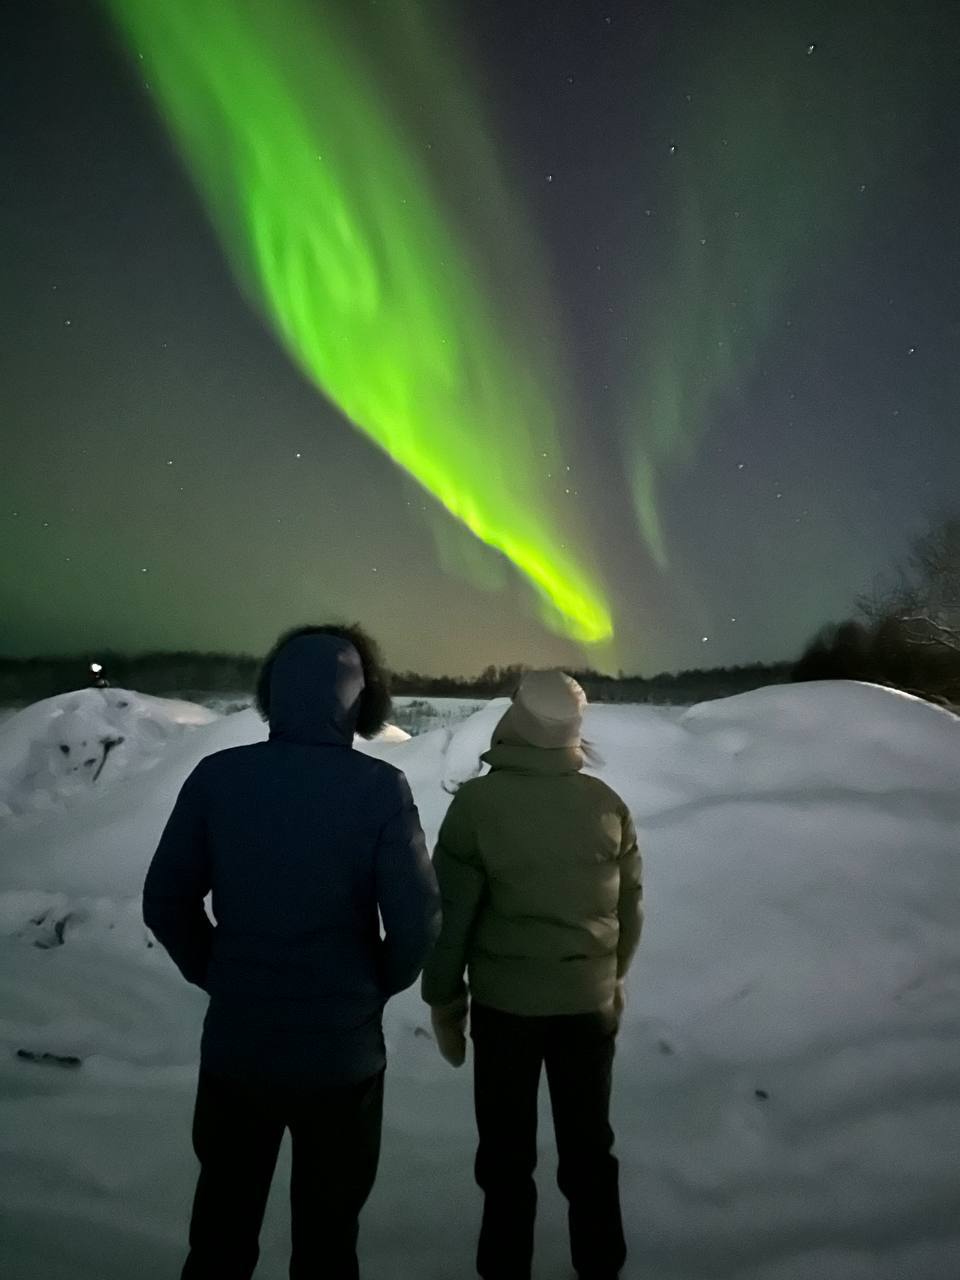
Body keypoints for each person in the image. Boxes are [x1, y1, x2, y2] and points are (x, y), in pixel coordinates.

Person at [143, 624, 440, 1280]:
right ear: (363, 702)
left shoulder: (219, 777)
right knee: (329, 1243)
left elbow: (166, 902)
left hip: (238, 1051)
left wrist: (219, 973)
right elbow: (419, 925)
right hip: (342, 1062)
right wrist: (370, 987)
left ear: (273, 694)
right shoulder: (379, 789)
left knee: (220, 1237)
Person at [421, 669, 642, 1280]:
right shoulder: (606, 805)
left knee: (505, 1160)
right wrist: (609, 980)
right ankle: (602, 1267)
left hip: (505, 1014)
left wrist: (444, 1000)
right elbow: (629, 911)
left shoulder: (477, 806)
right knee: (590, 1152)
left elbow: (451, 916)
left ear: (516, 718)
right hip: (587, 1010)